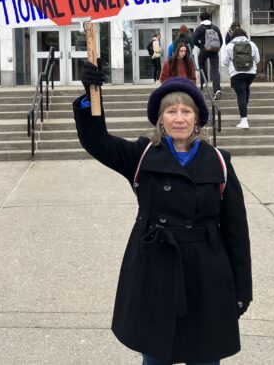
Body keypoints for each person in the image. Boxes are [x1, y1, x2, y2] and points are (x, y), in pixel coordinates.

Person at [74, 66, 252, 365]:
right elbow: (97, 141)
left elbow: (236, 232)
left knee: (205, 357)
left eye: (186, 111)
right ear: (160, 118)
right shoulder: (142, 155)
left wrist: (242, 288)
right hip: (155, 271)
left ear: (197, 118)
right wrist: (91, 96)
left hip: (206, 275)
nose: (179, 118)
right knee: (156, 357)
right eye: (171, 112)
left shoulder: (219, 162)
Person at [222, 28, 260, 129]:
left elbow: (225, 62)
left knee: (241, 95)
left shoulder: (229, 45)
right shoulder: (252, 44)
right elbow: (257, 59)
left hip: (236, 73)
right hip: (250, 73)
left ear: (233, 35)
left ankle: (244, 120)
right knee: (245, 90)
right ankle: (244, 111)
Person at [192, 12, 223, 99]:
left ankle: (204, 83)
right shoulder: (215, 28)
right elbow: (221, 40)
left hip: (204, 50)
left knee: (201, 64)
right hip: (214, 50)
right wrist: (217, 48)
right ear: (209, 18)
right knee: (215, 69)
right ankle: (217, 89)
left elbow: (193, 40)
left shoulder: (199, 29)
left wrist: (201, 46)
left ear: (201, 18)